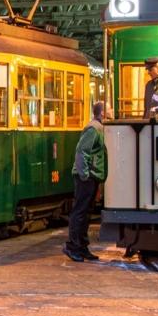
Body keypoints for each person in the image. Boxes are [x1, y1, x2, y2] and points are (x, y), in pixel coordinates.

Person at [64, 100, 108, 262]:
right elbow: (82, 151)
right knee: (80, 212)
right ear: (102, 113)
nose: (112, 111)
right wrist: (85, 175)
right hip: (86, 176)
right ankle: (73, 247)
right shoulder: (93, 129)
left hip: (92, 176)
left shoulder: (100, 128)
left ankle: (82, 247)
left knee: (86, 213)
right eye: (110, 109)